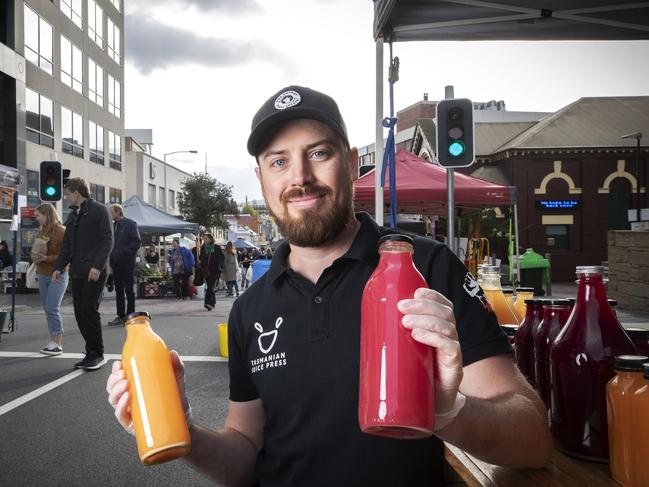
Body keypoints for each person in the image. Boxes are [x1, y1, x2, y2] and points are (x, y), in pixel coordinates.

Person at [107, 86, 551, 484]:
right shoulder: (250, 309)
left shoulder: (426, 268)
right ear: (261, 178)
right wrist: (181, 427)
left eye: (318, 153)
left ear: (352, 162)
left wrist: (449, 412)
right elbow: (243, 455)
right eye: (279, 161)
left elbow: (532, 439)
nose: (299, 177)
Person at [54, 177, 113, 370]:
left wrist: (98, 265)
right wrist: (58, 267)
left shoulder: (99, 210)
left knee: (88, 309)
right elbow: (67, 245)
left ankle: (97, 353)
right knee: (79, 312)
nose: (66, 197)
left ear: (76, 193)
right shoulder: (73, 215)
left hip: (95, 271)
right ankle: (90, 351)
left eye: (68, 194)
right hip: (78, 271)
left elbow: (107, 240)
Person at [32, 204, 67, 355]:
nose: (36, 218)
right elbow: (36, 251)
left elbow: (66, 256)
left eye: (38, 215)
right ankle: (53, 341)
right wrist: (35, 257)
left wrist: (45, 258)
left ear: (47, 215)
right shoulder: (42, 231)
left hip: (57, 274)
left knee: (52, 308)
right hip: (43, 274)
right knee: (48, 309)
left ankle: (57, 343)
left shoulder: (61, 231)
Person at [107, 204, 142, 326]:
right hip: (116, 262)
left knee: (128, 289)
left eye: (111, 212)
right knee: (119, 290)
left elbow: (136, 242)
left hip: (127, 262)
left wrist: (124, 252)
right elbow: (111, 245)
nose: (110, 214)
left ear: (118, 212)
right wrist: (110, 263)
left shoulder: (130, 224)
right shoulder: (112, 225)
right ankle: (121, 315)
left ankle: (130, 316)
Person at [200, 233, 224, 311]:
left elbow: (222, 257)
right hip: (206, 270)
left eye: (206, 238)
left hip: (215, 270)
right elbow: (201, 256)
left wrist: (220, 264)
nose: (204, 240)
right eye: (204, 238)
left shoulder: (216, 247)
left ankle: (207, 303)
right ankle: (212, 302)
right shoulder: (203, 247)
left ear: (210, 239)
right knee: (210, 286)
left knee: (210, 286)